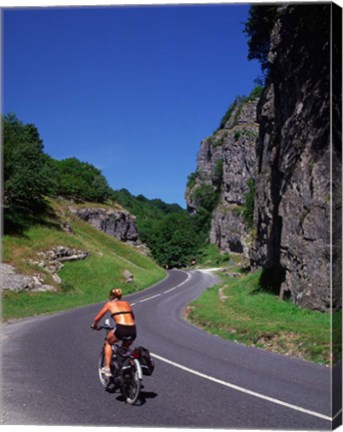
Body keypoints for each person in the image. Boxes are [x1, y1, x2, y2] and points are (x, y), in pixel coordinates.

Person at [91, 288, 137, 377]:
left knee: (108, 342)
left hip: (121, 328)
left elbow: (97, 318)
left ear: (111, 296)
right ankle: (127, 367)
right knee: (124, 349)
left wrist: (94, 326)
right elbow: (132, 317)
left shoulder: (109, 304)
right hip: (132, 329)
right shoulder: (126, 303)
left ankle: (107, 368)